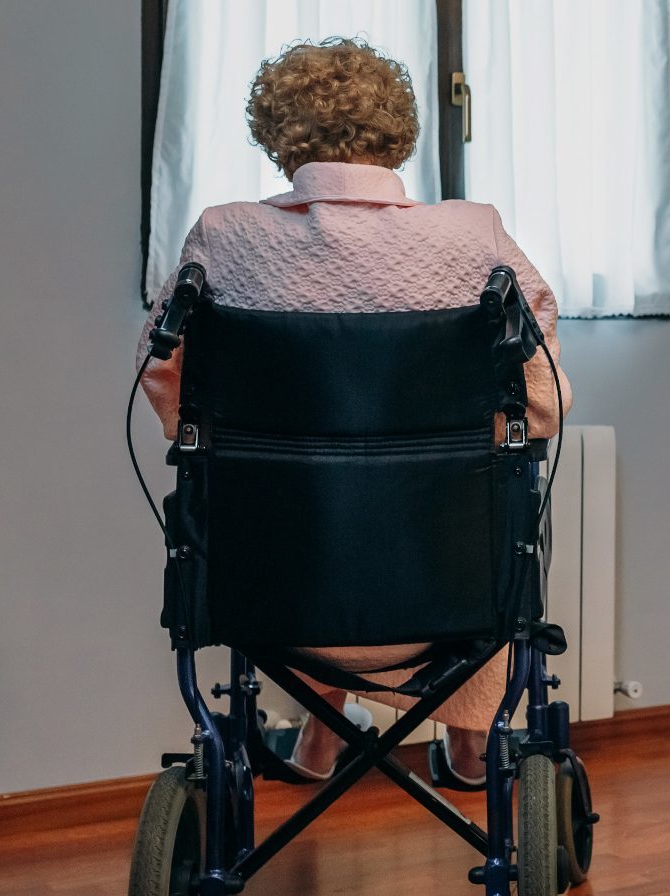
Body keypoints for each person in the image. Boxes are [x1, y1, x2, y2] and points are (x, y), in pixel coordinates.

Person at [140, 37, 571, 785]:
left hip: (275, 591)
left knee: (309, 500)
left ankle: (320, 736)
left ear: (279, 136)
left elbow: (164, 377)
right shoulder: (475, 236)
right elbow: (542, 401)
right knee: (471, 499)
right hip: (448, 592)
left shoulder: (223, 236)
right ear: (398, 131)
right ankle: (470, 747)